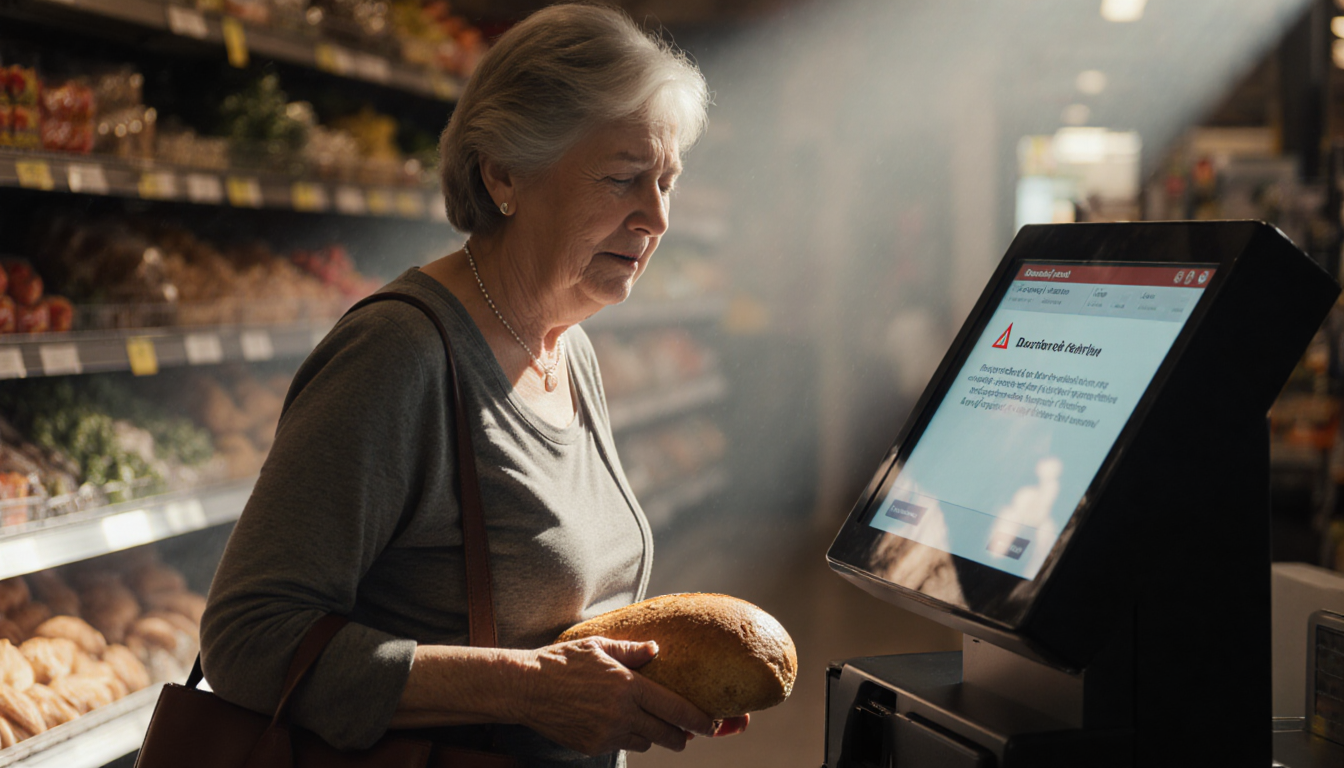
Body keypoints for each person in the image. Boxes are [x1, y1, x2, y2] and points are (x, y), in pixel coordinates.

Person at [199, 5, 743, 767]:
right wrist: (525, 689)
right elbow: (249, 637)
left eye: (667, 181)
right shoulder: (397, 356)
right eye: (623, 177)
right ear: (503, 174)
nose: (654, 215)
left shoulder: (570, 348)